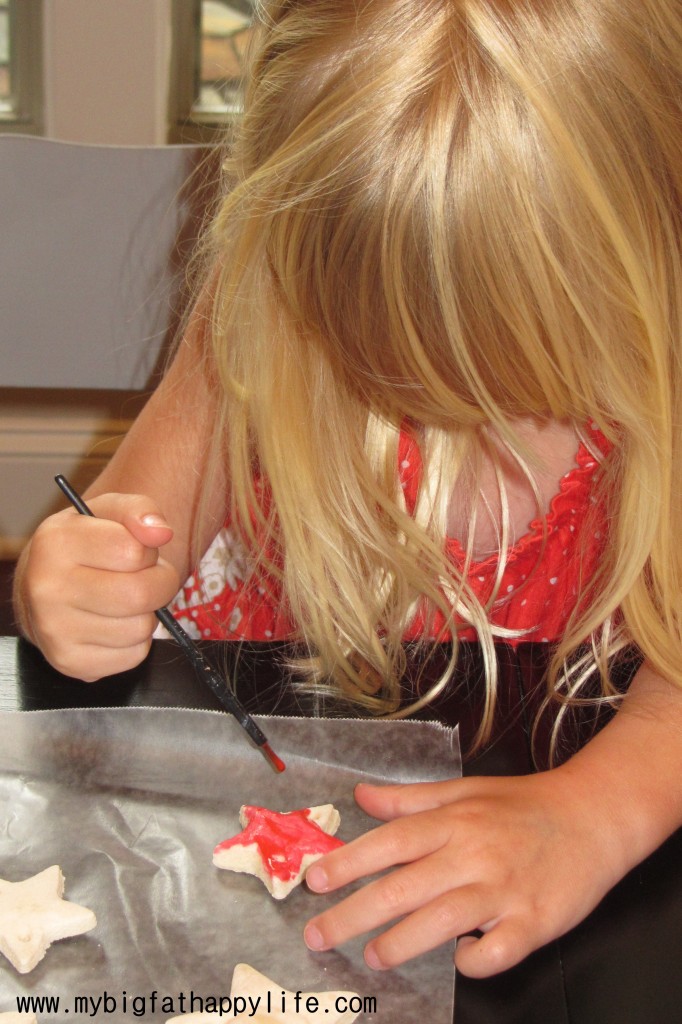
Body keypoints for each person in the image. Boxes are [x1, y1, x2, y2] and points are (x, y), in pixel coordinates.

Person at [12, 0, 682, 981]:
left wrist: (601, 809)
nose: (436, 403)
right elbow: (125, 532)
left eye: (511, 369)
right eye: (371, 352)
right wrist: (75, 584)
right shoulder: (257, 308)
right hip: (272, 746)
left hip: (571, 761)